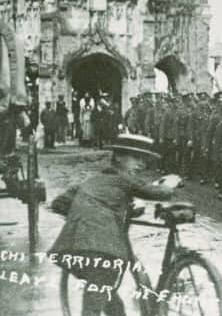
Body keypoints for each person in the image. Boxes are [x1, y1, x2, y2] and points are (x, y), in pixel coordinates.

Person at [48, 133, 174, 316]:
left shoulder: (94, 180)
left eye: (144, 159)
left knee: (104, 291)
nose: (141, 164)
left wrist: (92, 211)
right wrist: (170, 185)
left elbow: (59, 203)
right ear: (119, 157)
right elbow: (152, 191)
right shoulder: (123, 178)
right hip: (101, 247)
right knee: (95, 300)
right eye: (136, 158)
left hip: (74, 245)